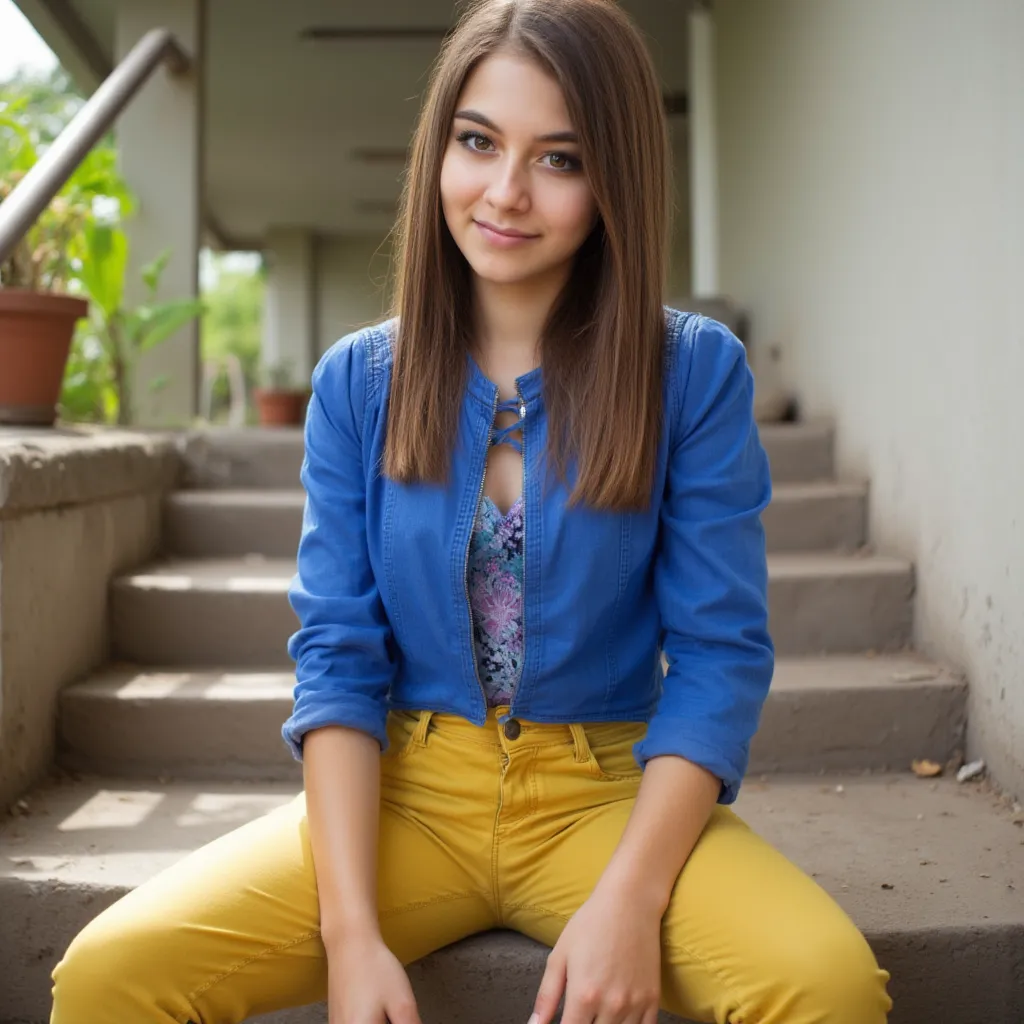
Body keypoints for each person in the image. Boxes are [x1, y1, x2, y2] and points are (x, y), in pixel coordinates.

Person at [50, 1, 893, 1022]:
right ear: (438, 146)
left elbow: (720, 653)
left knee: (828, 984)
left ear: (612, 181)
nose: (505, 192)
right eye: (478, 141)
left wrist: (630, 893)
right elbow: (339, 655)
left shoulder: (690, 373)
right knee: (109, 972)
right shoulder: (358, 383)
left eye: (560, 159)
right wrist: (349, 934)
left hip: (608, 790)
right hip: (408, 794)